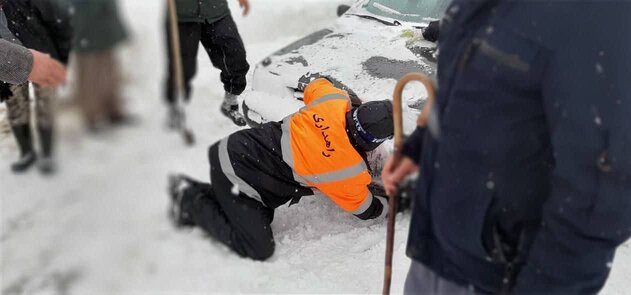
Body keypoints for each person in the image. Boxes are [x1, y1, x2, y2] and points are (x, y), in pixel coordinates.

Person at [382, 0, 631, 294]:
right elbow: (473, 83)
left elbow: (604, 194)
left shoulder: (602, 14)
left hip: (498, 276)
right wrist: (423, 146)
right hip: (436, 250)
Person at [168, 78, 394, 260]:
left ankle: (207, 194)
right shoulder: (346, 168)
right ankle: (186, 199)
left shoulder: (333, 101)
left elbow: (317, 83)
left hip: (236, 148)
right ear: (373, 142)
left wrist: (345, 99)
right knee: (258, 247)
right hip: (238, 175)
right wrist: (396, 204)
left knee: (261, 213)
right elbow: (367, 209)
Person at [1, 0, 72, 174]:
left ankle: (47, 153)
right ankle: (27, 153)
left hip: (43, 56)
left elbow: (56, 20)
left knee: (45, 104)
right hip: (11, 67)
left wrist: (61, 57)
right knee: (16, 107)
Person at [165, 0, 251, 127]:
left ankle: (230, 102)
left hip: (215, 10)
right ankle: (176, 105)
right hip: (183, 14)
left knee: (235, 55)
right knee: (182, 67)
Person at [70, 0, 129, 131]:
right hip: (84, 24)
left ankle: (112, 109)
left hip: (105, 24)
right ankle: (91, 115)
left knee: (109, 69)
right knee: (89, 74)